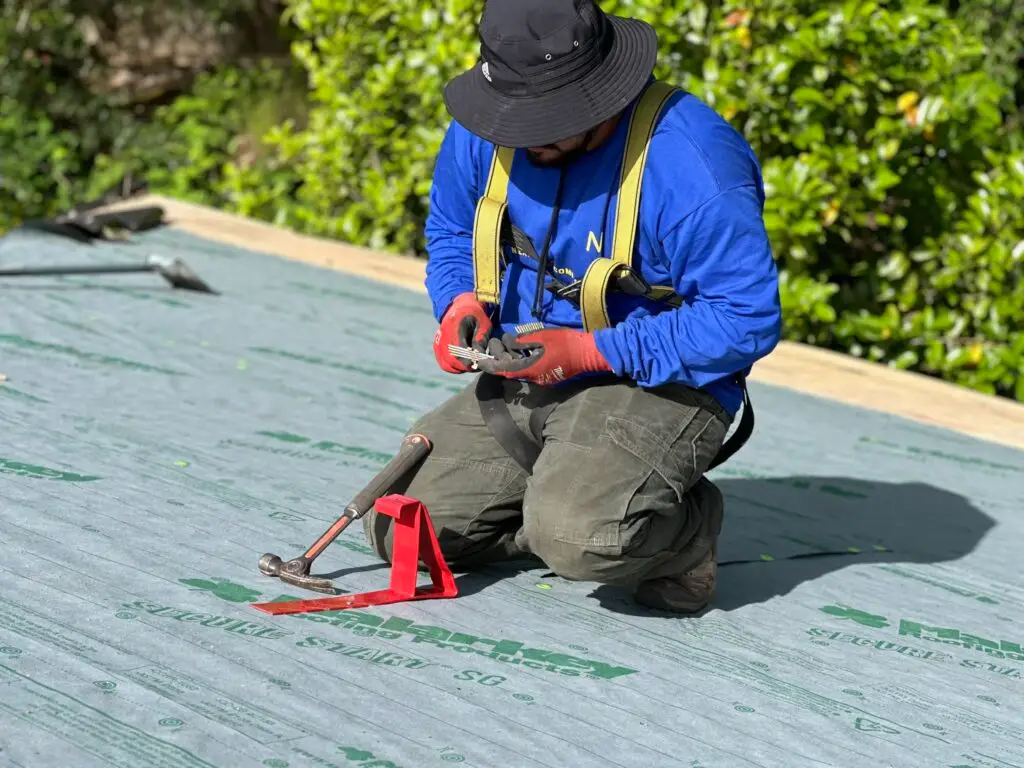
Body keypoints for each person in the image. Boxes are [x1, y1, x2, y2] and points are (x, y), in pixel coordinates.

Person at [362, 0, 782, 614]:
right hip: (529, 368)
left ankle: (679, 532)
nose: (520, 136)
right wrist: (457, 301)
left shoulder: (692, 163)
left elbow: (744, 319)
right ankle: (568, 494)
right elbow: (453, 228)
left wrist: (590, 350)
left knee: (584, 539)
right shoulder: (491, 123)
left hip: (658, 378)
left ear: (600, 95)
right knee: (402, 532)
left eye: (544, 122)